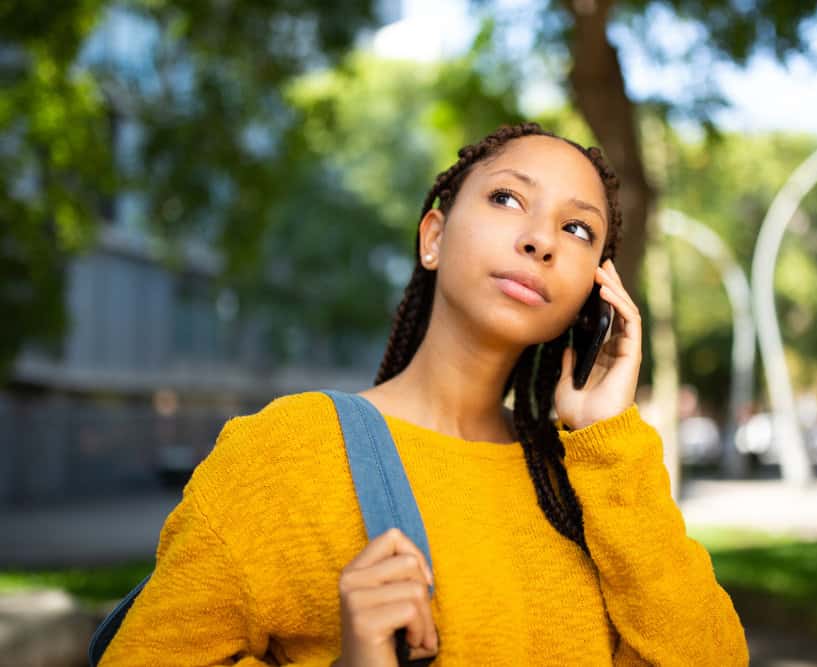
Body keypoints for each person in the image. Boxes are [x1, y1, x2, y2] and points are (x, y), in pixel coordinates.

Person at [99, 122, 749, 665]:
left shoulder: (589, 483)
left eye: (578, 230)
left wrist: (608, 440)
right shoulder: (288, 451)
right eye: (507, 199)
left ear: (595, 293)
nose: (540, 239)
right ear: (433, 236)